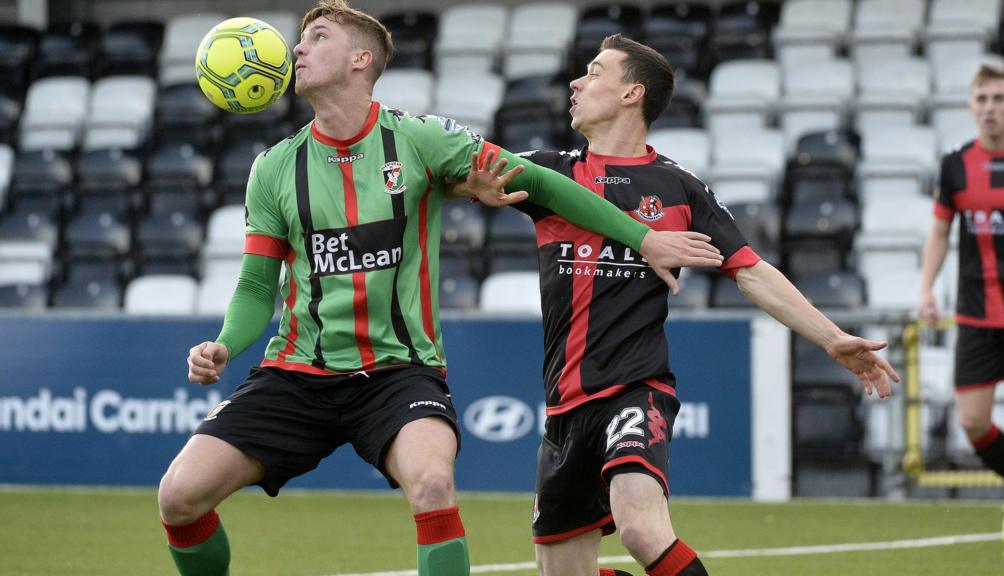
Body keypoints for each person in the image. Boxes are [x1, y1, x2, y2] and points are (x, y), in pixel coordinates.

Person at [155, 3, 724, 576]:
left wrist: (643, 239)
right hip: (297, 373)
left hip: (399, 372)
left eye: (317, 37)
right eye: (301, 39)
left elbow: (541, 182)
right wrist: (227, 343)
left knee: (431, 483)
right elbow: (257, 285)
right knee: (178, 496)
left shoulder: (420, 139)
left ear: (361, 59)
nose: (297, 48)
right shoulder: (274, 168)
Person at [455, 35, 900, 576]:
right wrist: (466, 182)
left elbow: (751, 271)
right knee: (561, 572)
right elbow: (458, 173)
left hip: (636, 388)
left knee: (641, 526)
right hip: (564, 408)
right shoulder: (549, 173)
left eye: (594, 72)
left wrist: (832, 337)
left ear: (631, 94)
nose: (576, 82)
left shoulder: (678, 187)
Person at [918, 63, 1004, 558]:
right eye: (982, 99)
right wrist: (926, 289)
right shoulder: (956, 165)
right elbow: (940, 232)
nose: (990, 108)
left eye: (999, 98)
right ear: (970, 106)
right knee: (974, 424)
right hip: (976, 315)